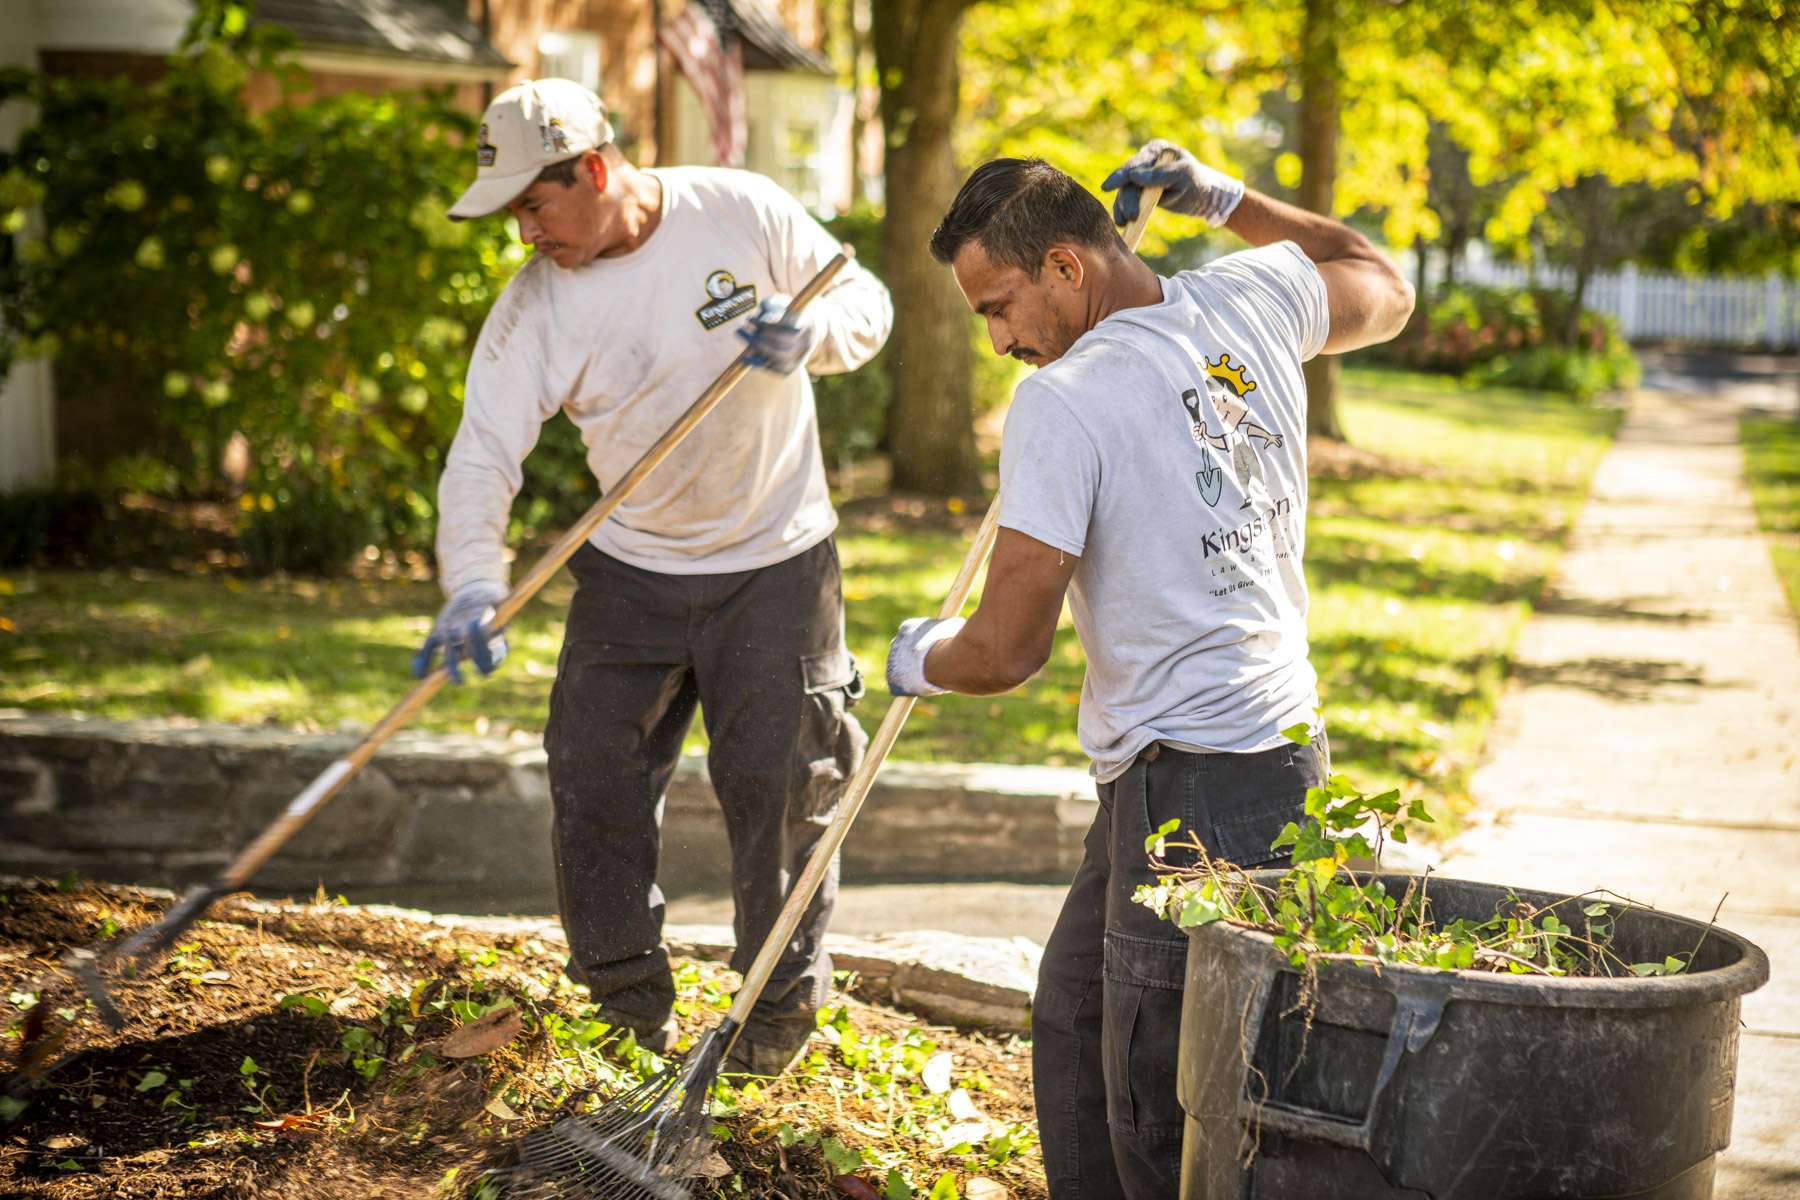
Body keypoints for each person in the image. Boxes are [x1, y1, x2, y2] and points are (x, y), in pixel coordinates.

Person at [885, 142, 1413, 1196]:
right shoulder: (1248, 297)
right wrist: (1228, 202)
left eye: (999, 307)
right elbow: (1381, 282)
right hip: (1275, 763)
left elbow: (1005, 652)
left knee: (1165, 1112)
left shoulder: (1064, 401)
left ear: (1069, 269)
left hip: (1190, 793)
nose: (996, 341)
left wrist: (917, 659)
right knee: (1077, 1017)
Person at [413, 79, 893, 1076]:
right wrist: (472, 581)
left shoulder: (737, 208)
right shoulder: (533, 309)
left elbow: (865, 300)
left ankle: (770, 1029)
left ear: (592, 170)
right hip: (631, 568)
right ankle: (624, 1015)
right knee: (593, 777)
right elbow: (483, 451)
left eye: (533, 206)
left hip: (776, 562)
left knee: (781, 792)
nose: (524, 234)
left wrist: (814, 339)